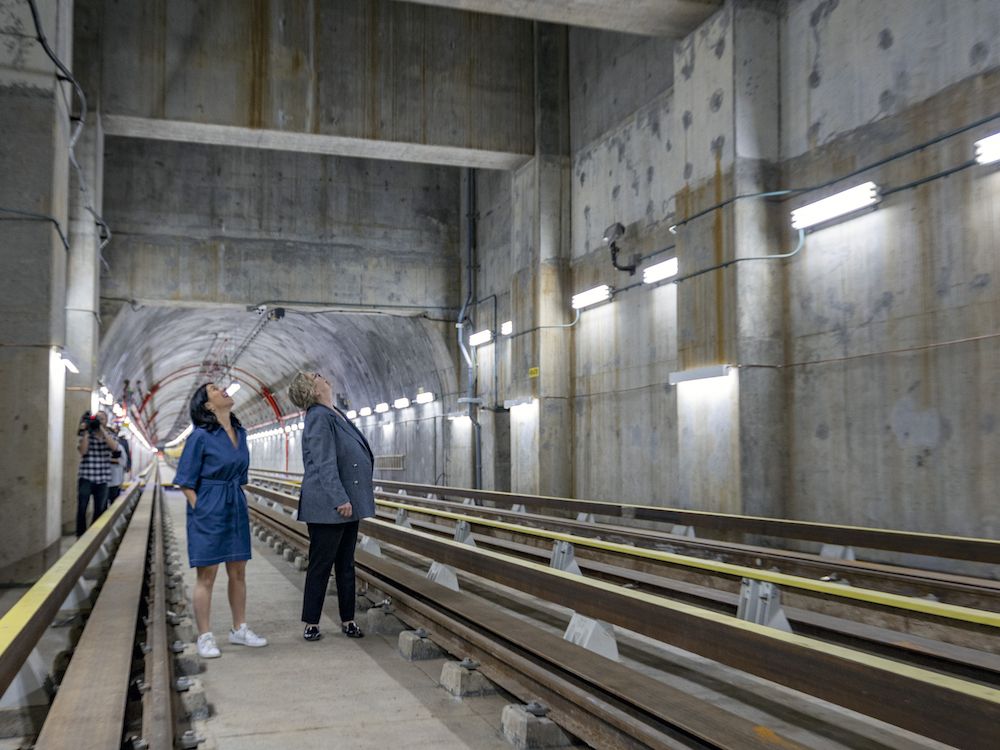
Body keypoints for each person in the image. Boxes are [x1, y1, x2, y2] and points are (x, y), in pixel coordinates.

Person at [174, 383, 268, 658]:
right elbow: (185, 480)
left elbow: (241, 474)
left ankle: (239, 629)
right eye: (215, 389)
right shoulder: (200, 437)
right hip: (210, 502)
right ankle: (204, 636)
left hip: (234, 503)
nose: (223, 390)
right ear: (207, 405)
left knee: (238, 572)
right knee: (207, 576)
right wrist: (200, 508)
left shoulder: (240, 433)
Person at [288, 371, 375, 641]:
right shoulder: (318, 417)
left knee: (346, 564)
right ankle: (311, 623)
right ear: (313, 390)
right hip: (330, 506)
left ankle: (348, 620)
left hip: (348, 503)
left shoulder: (333, 412)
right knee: (321, 564)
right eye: (316, 376)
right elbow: (324, 463)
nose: (323, 377)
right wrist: (340, 498)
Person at [76, 410, 119, 537]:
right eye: (97, 418)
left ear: (106, 422)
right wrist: (87, 432)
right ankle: (80, 534)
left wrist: (102, 430)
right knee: (82, 508)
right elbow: (83, 451)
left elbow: (114, 448)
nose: (99, 421)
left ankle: (94, 535)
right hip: (86, 476)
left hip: (103, 477)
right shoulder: (86, 433)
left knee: (100, 509)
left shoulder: (110, 434)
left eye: (102, 419)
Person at [106, 424, 131, 503]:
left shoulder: (119, 447)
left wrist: (110, 460)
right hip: (103, 481)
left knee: (114, 501)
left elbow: (124, 461)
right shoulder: (99, 447)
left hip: (115, 480)